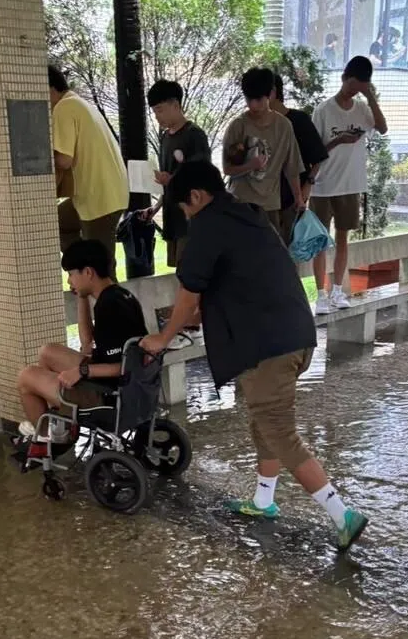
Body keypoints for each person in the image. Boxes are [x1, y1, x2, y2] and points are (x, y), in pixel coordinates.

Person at [140, 161, 369, 551]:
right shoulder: (248, 214)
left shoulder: (210, 226)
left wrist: (164, 336)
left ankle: (342, 514)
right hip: (294, 335)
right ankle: (264, 500)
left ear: (196, 197)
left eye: (184, 207)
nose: (185, 215)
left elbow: (189, 293)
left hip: (269, 347)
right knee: (263, 422)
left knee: (279, 432)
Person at [15, 239, 147, 456]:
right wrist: (82, 297)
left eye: (71, 274)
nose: (69, 280)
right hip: (118, 383)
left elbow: (124, 366)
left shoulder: (110, 307)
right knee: (47, 352)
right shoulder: (118, 295)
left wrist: (82, 371)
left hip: (108, 393)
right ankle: (62, 420)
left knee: (25, 377)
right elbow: (87, 342)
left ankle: (52, 435)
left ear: (87, 272)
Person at [310, 56, 388, 315]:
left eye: (361, 87)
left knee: (343, 237)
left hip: (350, 184)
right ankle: (321, 294)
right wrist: (339, 140)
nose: (355, 91)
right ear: (344, 78)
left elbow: (383, 128)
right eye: (353, 85)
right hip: (323, 185)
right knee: (320, 241)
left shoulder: (362, 108)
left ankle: (337, 290)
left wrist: (370, 97)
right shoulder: (323, 111)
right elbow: (314, 150)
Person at [48, 66, 129, 272]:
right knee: (56, 221)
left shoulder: (64, 108)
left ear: (48, 89)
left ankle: (109, 297)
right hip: (102, 194)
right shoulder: (79, 103)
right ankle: (82, 268)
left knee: (103, 269)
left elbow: (64, 160)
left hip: (99, 199)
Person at [222, 67, 305, 235]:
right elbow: (227, 169)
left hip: (270, 205)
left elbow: (292, 167)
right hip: (241, 203)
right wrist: (250, 165)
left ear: (271, 94)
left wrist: (299, 198)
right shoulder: (238, 125)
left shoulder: (283, 126)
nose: (253, 105)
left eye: (258, 99)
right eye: (249, 99)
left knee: (269, 257)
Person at [145, 79, 211, 268]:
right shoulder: (165, 138)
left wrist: (172, 179)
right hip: (172, 218)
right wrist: (156, 207)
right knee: (177, 274)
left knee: (190, 272)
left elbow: (203, 177)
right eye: (154, 111)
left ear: (176, 105)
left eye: (160, 110)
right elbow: (168, 180)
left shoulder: (195, 135)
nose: (157, 116)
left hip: (190, 220)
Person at [270, 73, 330, 245]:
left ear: (273, 92)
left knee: (290, 250)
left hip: (292, 199)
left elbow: (318, 157)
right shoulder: (258, 124)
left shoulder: (299, 120)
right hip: (266, 197)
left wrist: (307, 187)